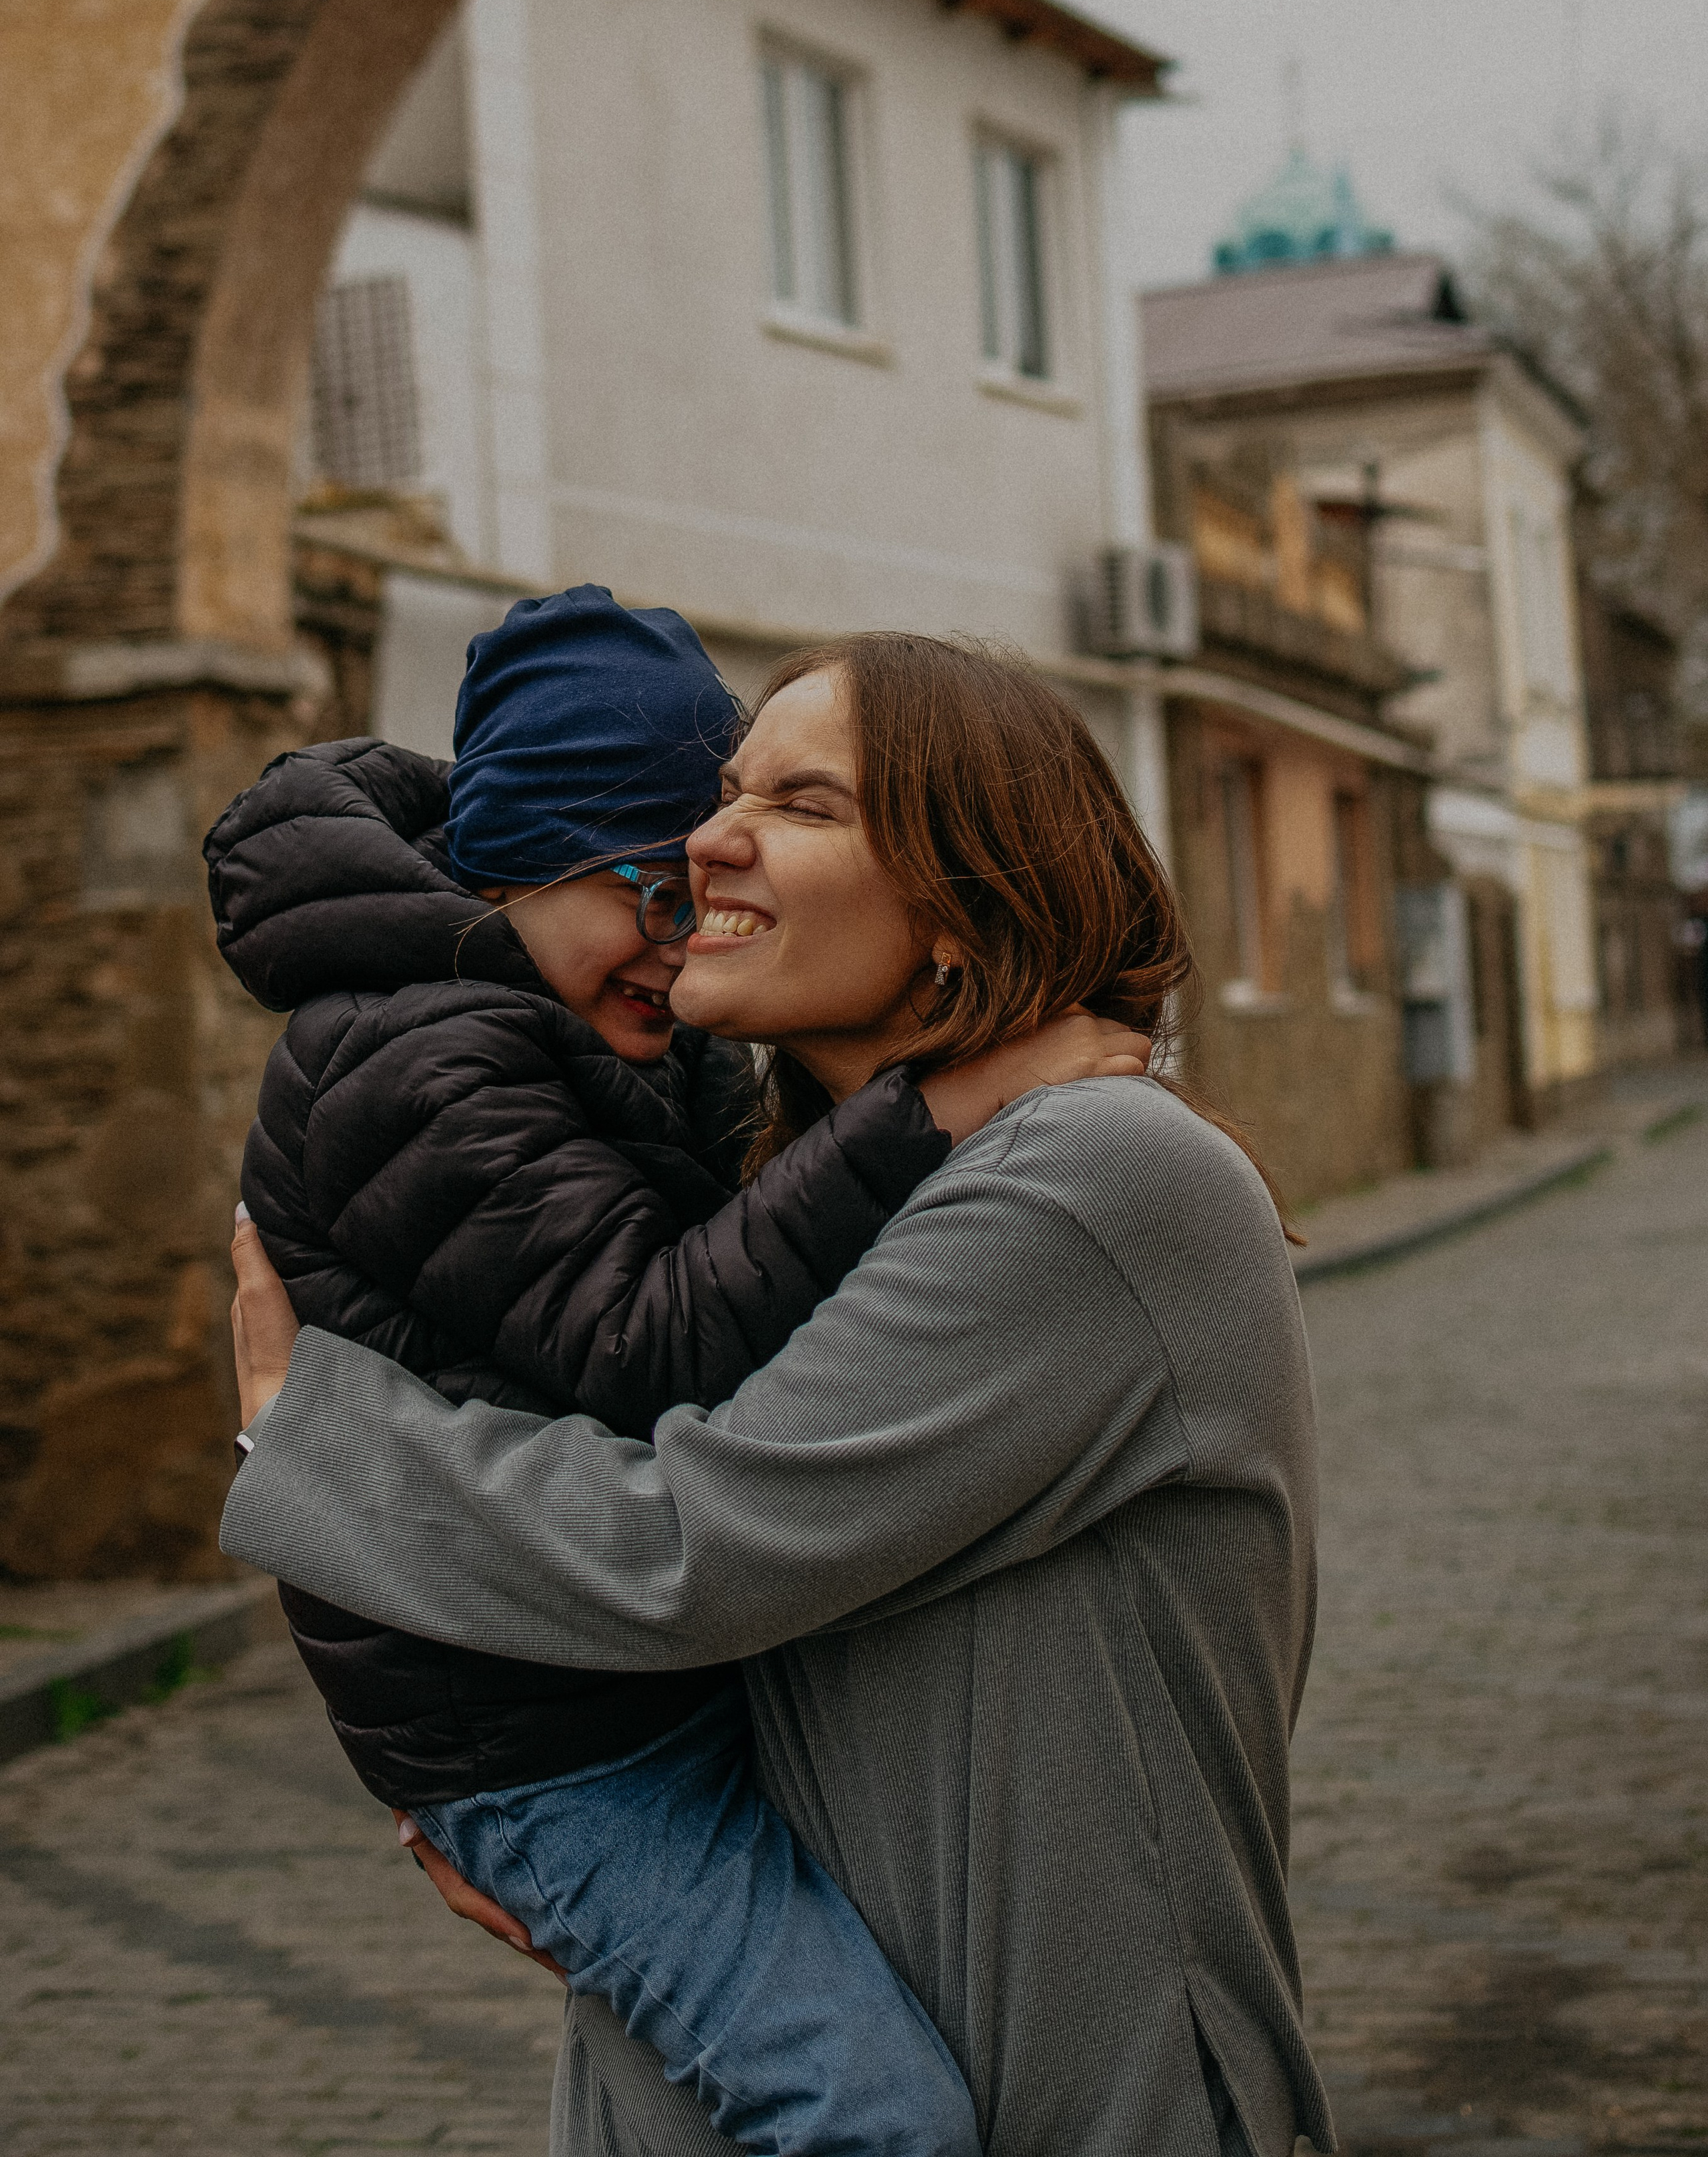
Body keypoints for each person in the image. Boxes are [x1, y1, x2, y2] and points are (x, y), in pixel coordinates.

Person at [224, 630, 1336, 2157]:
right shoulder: (790, 1179)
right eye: (722, 793)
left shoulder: (1091, 1172)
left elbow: (685, 1547)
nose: (704, 838)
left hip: (1055, 2086)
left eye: (801, 804)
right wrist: (538, 1835)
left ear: (966, 898)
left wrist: (310, 1432)